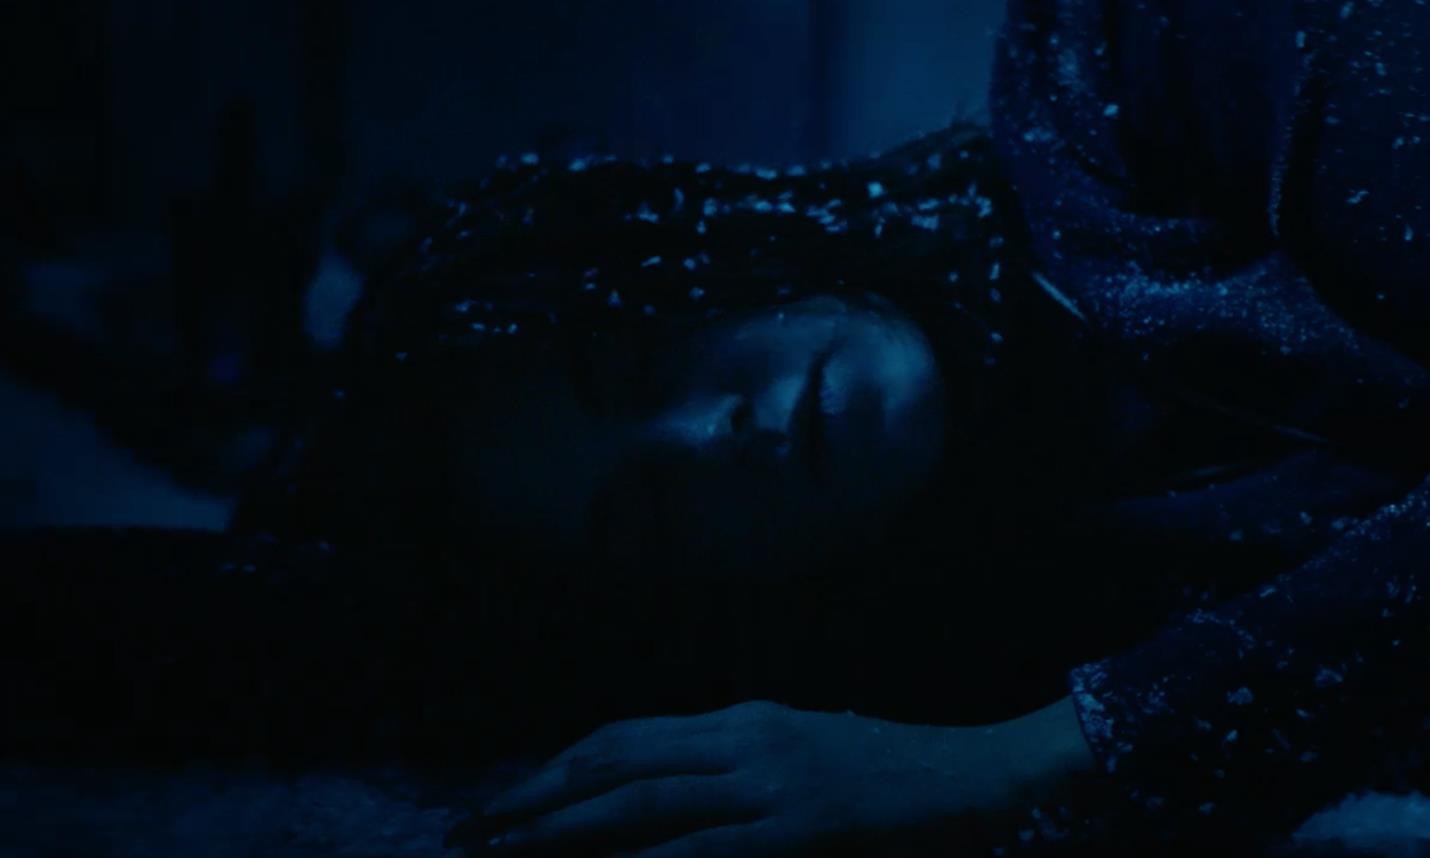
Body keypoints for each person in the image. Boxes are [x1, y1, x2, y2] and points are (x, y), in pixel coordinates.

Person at [7, 5, 1430, 857]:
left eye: (631, 358)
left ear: (695, 249)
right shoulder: (1011, 597)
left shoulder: (1128, 52)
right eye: (649, 518)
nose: (709, 441)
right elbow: (346, 648)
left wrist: (1036, 757)